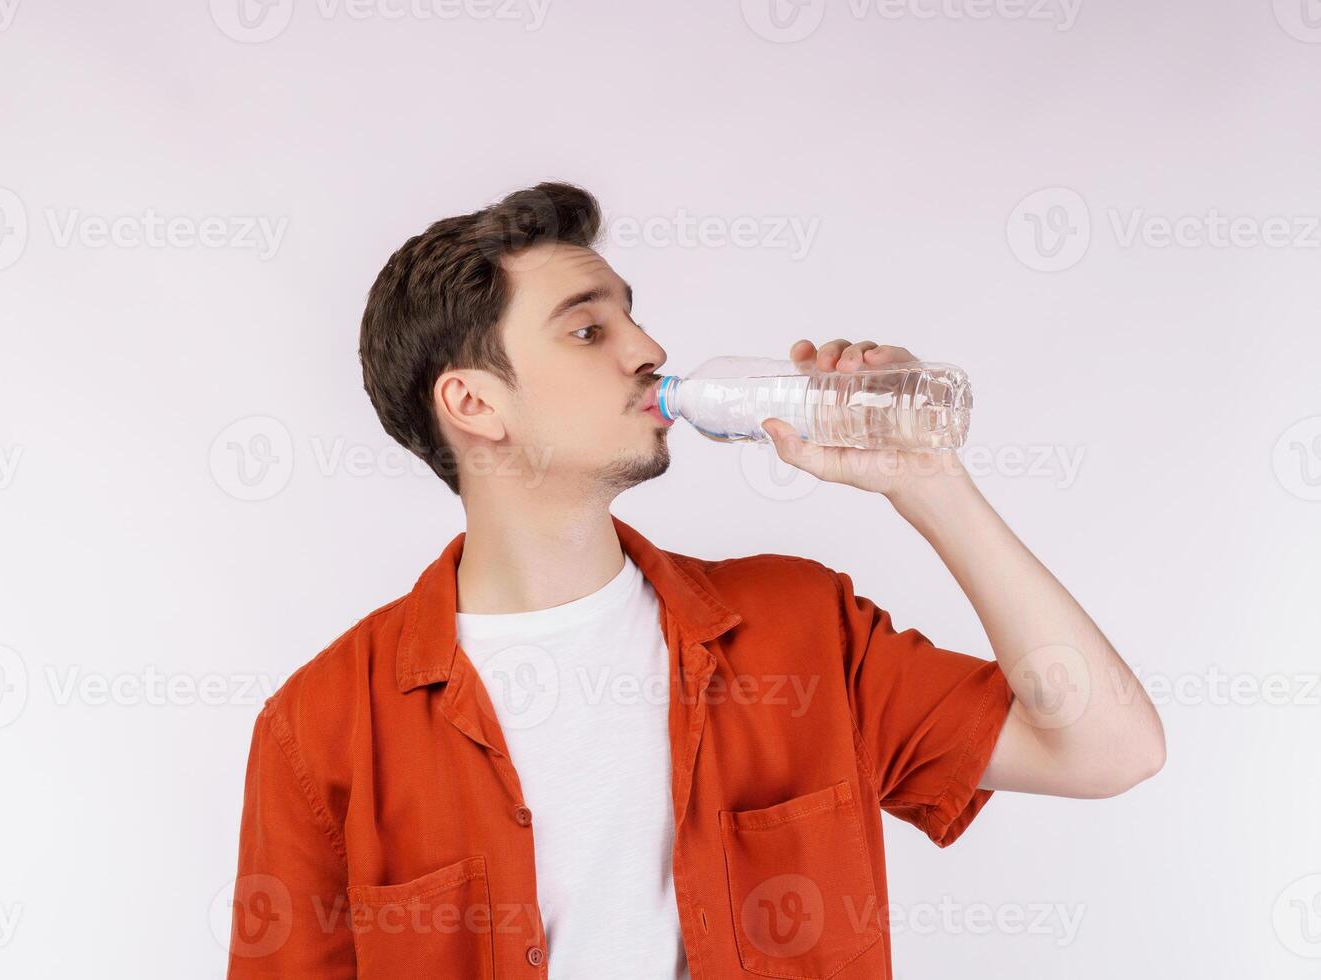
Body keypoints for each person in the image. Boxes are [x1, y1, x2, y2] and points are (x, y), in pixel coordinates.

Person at [224, 181, 1165, 979]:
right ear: (475, 403)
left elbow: (1108, 748)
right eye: (588, 330)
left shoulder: (802, 628)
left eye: (631, 315)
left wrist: (929, 483)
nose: (648, 349)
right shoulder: (321, 732)